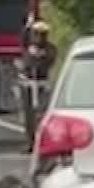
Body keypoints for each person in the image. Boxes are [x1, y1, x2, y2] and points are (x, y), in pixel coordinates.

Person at [15, 17, 58, 150]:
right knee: (28, 116)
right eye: (36, 33)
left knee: (42, 115)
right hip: (27, 84)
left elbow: (48, 62)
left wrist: (39, 57)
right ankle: (31, 143)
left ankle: (43, 142)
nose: (39, 37)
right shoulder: (28, 47)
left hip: (41, 85)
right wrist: (28, 25)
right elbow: (22, 40)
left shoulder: (50, 49)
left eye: (41, 34)